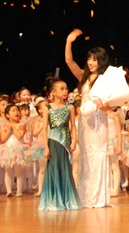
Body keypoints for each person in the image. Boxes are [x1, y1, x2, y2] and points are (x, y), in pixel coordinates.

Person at [65, 28, 112, 208]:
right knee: (85, 157)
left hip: (99, 122)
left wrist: (101, 106)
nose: (91, 62)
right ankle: (85, 196)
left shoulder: (105, 79)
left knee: (98, 156)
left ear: (101, 61)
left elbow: (110, 106)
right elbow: (69, 61)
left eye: (95, 59)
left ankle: (98, 197)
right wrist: (69, 41)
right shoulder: (83, 77)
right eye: (89, 59)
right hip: (85, 122)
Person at [38, 79, 81, 211]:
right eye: (61, 89)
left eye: (66, 88)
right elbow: (44, 129)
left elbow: (73, 126)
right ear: (54, 92)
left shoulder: (70, 107)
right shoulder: (48, 108)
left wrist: (74, 141)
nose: (65, 91)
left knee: (65, 168)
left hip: (65, 141)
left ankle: (66, 199)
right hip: (53, 140)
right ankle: (54, 199)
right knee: (54, 168)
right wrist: (46, 147)